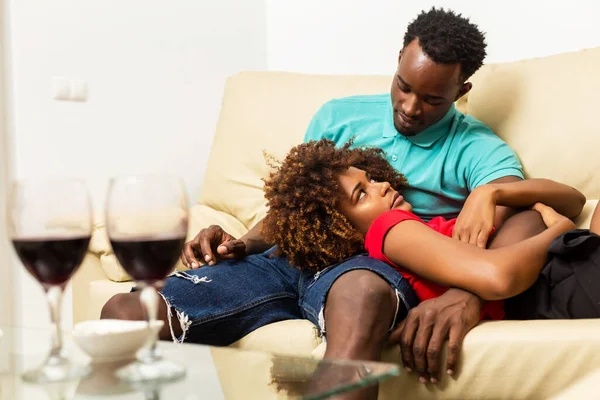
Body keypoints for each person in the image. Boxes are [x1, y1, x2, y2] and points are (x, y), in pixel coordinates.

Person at [101, 7, 552, 392]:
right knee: (126, 311)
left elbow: (518, 220)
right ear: (397, 60)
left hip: (369, 264)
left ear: (462, 91)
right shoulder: (339, 115)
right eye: (404, 85)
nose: (411, 107)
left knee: (361, 296)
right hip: (285, 258)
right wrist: (242, 241)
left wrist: (465, 291)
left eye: (432, 99)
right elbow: (297, 208)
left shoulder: (478, 150)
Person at [261, 139, 593, 328]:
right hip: (556, 289)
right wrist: (558, 229)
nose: (382, 186)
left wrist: (491, 193)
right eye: (361, 194)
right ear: (340, 229)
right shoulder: (388, 230)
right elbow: (498, 277)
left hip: (570, 271)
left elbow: (575, 200)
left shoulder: (432, 228)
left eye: (371, 179)